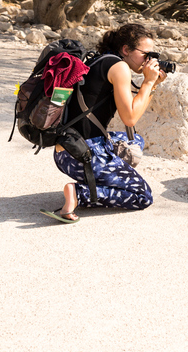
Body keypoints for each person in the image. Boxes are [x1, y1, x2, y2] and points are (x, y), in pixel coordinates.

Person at [40, 24, 167, 223]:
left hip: (65, 150)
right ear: (126, 50)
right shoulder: (120, 67)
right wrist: (148, 83)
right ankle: (79, 193)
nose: (149, 60)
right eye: (146, 54)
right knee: (143, 196)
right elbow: (130, 118)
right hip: (82, 154)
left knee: (135, 141)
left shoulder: (100, 61)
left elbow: (131, 120)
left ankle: (106, 177)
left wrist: (152, 84)